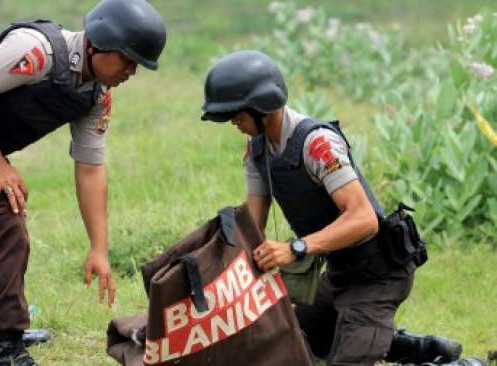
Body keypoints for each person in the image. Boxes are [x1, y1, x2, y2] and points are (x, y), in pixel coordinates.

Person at [0, 0, 166, 365]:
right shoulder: (35, 51)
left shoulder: (95, 96)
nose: (131, 70)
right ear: (98, 44)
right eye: (127, 59)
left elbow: (90, 169)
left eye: (139, 65)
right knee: (5, 220)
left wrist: (98, 249)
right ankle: (7, 348)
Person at [199, 50, 485, 366]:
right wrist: (217, 265)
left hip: (378, 274)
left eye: (237, 114)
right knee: (288, 343)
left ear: (262, 107)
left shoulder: (317, 144)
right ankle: (408, 345)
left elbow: (364, 219)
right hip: (338, 273)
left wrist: (296, 247)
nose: (234, 123)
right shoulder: (257, 151)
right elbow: (253, 222)